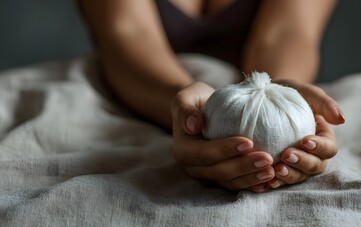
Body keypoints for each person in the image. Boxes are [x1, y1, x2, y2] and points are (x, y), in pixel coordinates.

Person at [78, 0, 345, 192]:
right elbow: (128, 34)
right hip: (143, 93)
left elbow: (290, 31)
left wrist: (278, 98)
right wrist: (186, 109)